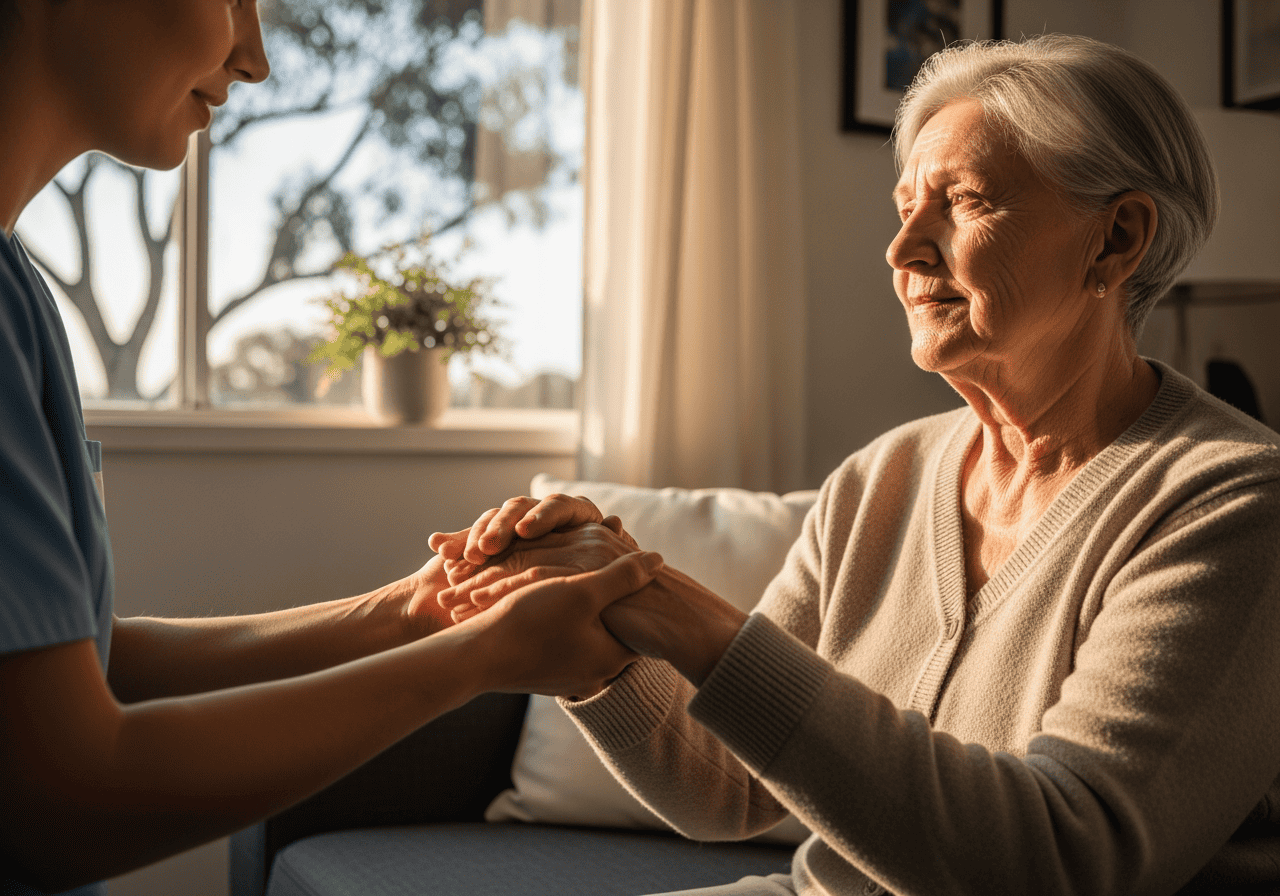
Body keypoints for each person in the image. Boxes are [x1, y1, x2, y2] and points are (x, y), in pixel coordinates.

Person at [432, 34, 1280, 896]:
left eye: (965, 202)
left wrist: (676, 608)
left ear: (1117, 238)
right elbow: (726, 790)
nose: (904, 249)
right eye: (905, 206)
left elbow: (1057, 862)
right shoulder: (886, 478)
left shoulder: (1231, 504)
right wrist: (599, 642)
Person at [0, 3, 661, 893]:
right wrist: (484, 657)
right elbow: (59, 798)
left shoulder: (20, 294)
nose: (255, 56)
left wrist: (416, 612)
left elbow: (84, 663)